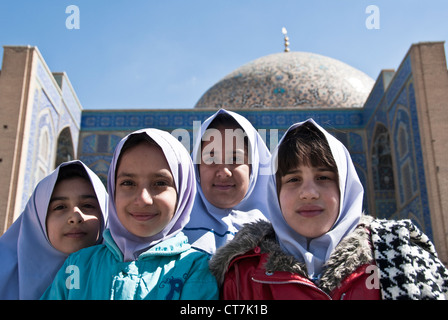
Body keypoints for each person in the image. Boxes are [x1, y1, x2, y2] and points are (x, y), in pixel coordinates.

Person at [210, 119, 448, 300]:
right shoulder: (243, 274)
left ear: (346, 186)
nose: (309, 192)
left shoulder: (397, 252)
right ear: (274, 193)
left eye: (323, 177)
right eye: (293, 180)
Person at [42, 128, 219, 300]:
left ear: (183, 192)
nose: (142, 199)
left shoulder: (196, 270)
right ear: (112, 188)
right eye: (128, 183)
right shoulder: (79, 265)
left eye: (160, 183)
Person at [0, 160, 108, 300]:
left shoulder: (128, 276)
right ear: (38, 218)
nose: (75, 217)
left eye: (87, 205)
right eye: (60, 207)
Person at [184, 109, 272, 255]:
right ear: (196, 166)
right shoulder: (168, 233)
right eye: (210, 159)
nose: (224, 172)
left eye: (236, 159)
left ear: (253, 167)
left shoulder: (285, 237)